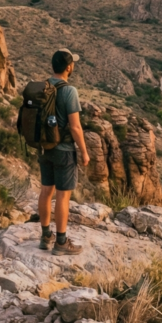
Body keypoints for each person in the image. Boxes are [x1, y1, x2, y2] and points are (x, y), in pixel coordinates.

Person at [38, 48, 89, 254]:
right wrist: (84, 152)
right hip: (64, 150)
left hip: (44, 148)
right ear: (69, 67)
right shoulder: (69, 91)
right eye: (72, 63)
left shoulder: (43, 87)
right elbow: (75, 127)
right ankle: (61, 242)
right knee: (62, 196)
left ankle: (45, 236)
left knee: (45, 191)